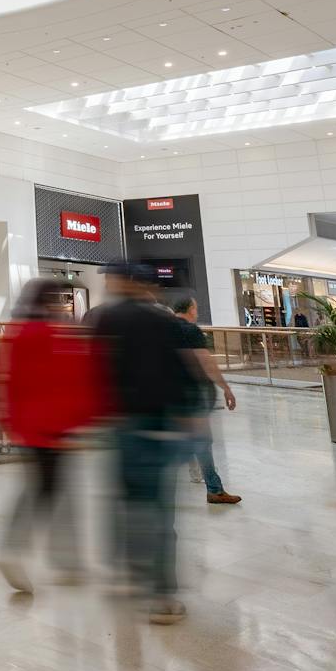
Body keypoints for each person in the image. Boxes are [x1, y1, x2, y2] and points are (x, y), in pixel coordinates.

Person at [91, 263, 198, 625]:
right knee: (157, 512)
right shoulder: (162, 321)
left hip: (121, 425)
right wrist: (190, 416)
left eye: (111, 278)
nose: (108, 283)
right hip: (156, 425)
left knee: (123, 504)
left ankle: (125, 575)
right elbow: (183, 374)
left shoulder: (102, 319)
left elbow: (93, 371)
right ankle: (161, 594)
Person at [0, 279, 104, 592]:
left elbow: (7, 382)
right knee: (45, 493)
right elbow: (74, 380)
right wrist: (86, 421)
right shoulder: (57, 334)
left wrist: (9, 422)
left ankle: (66, 560)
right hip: (55, 429)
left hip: (29, 428)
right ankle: (18, 551)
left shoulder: (17, 334)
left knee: (50, 492)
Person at [169, 298, 241, 504]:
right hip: (191, 393)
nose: (197, 312)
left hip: (169, 392)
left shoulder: (161, 329)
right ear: (191, 309)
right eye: (196, 308)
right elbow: (207, 364)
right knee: (202, 441)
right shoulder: (191, 331)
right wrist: (226, 388)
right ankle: (214, 489)